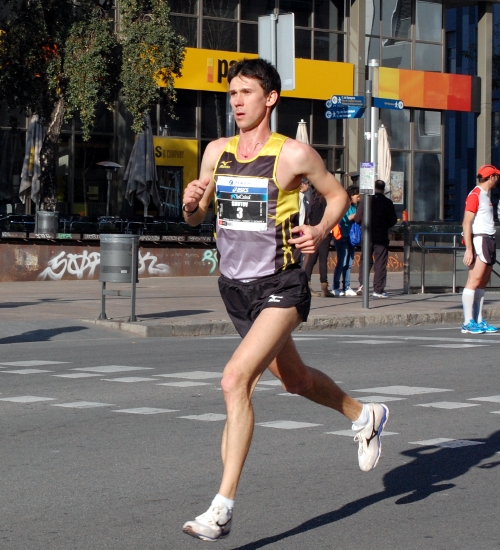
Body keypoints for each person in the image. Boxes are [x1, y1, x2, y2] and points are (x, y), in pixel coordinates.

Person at [180, 58, 390, 543]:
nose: (236, 101)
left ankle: (223, 506)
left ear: (270, 98)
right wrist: (192, 203)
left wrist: (318, 229)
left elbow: (339, 196)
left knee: (235, 380)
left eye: (246, 92)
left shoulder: (293, 154)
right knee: (294, 380)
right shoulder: (216, 152)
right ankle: (365, 415)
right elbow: (197, 218)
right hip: (236, 288)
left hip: (282, 283)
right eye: (232, 93)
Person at [461, 164, 500, 334]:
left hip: (489, 239)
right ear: (491, 177)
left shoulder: (485, 196)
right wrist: (469, 249)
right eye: (496, 176)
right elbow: (466, 222)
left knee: (483, 282)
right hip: (480, 240)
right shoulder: (475, 195)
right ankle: (468, 322)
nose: (497, 179)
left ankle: (478, 319)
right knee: (474, 281)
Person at [354, 179, 397, 298]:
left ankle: (363, 286)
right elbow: (393, 220)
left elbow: (357, 219)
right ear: (383, 189)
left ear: (374, 187)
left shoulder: (365, 201)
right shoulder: (387, 202)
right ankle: (378, 290)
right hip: (381, 236)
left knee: (365, 260)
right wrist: (384, 224)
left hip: (367, 235)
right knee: (380, 262)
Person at [303, 185, 335, 297]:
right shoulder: (326, 199)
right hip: (324, 231)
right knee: (323, 259)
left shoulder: (313, 198)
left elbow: (309, 215)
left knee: (311, 258)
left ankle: (306, 284)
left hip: (313, 230)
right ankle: (324, 287)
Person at [332, 184, 360, 296]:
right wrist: (356, 215)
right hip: (342, 235)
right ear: (351, 195)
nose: (358, 198)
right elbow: (345, 218)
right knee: (342, 262)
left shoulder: (355, 206)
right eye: (357, 196)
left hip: (350, 236)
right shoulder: (344, 204)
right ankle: (335, 287)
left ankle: (346, 286)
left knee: (348, 263)